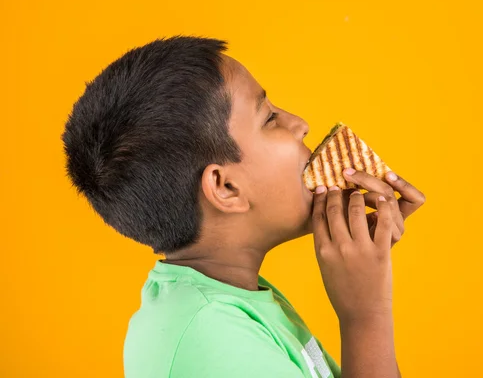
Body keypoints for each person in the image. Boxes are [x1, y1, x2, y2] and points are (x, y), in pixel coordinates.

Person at [61, 35, 426, 378]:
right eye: (269, 118)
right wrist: (366, 316)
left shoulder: (226, 301)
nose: (300, 124)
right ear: (226, 187)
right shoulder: (213, 337)